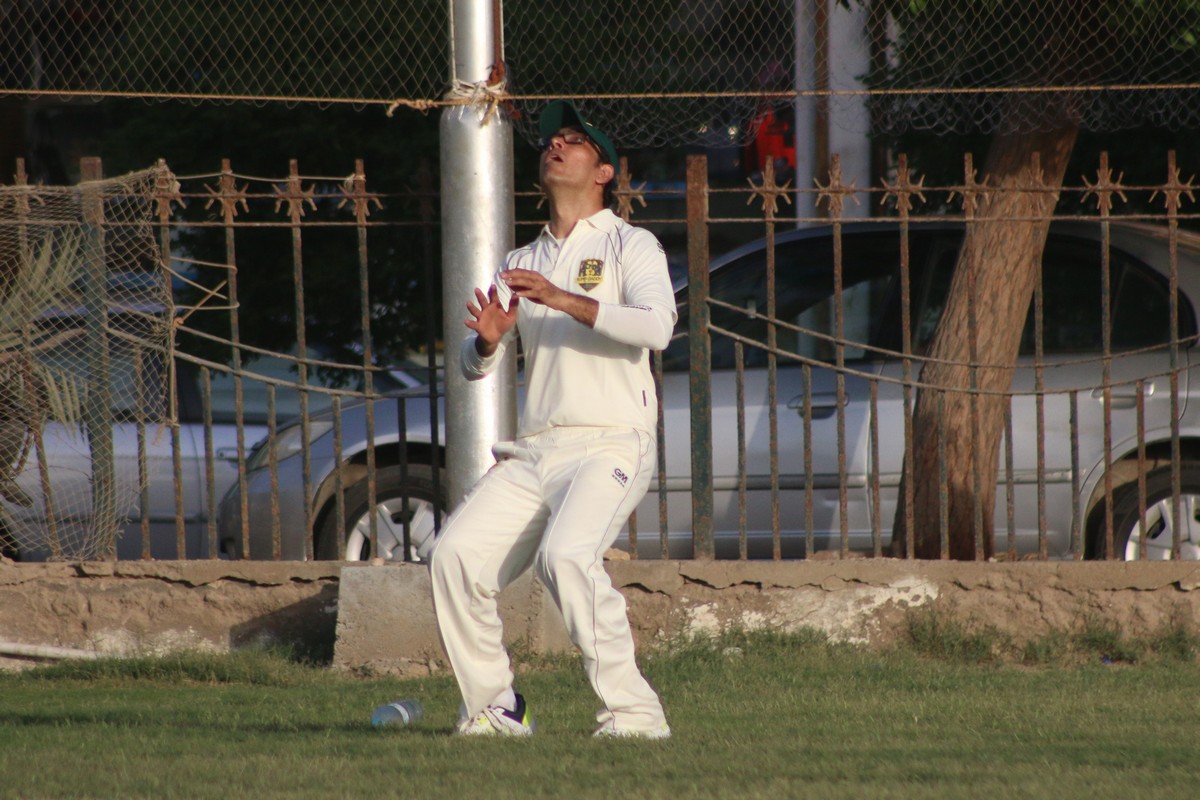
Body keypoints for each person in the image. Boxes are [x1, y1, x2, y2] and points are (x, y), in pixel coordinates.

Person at [428, 100, 676, 739]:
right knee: (454, 557)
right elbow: (473, 367)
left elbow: (657, 327)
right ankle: (497, 708)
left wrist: (565, 300)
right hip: (537, 448)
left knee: (565, 557)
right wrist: (486, 343)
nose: (555, 146)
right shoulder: (522, 257)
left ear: (604, 172)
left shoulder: (631, 243)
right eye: (550, 141)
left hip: (611, 441)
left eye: (573, 141)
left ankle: (635, 715)